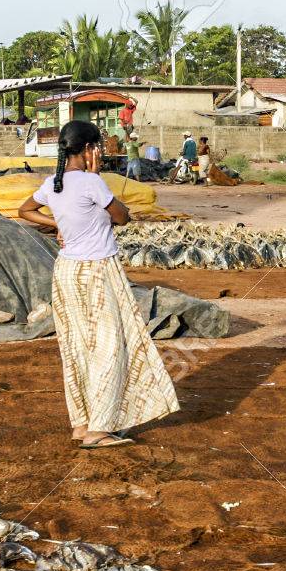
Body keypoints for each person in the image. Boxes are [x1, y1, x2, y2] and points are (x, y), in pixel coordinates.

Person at [17, 120, 178, 448]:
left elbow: (25, 210)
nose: (102, 153)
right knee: (109, 346)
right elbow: (122, 216)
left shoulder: (53, 184)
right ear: (89, 149)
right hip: (97, 271)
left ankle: (83, 422)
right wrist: (95, 178)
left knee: (76, 346)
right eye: (99, 147)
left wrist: (57, 223)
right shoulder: (93, 183)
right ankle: (99, 429)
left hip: (66, 272)